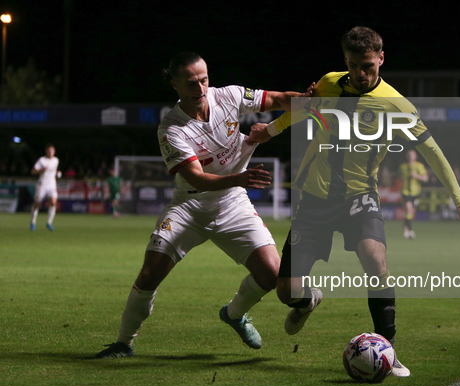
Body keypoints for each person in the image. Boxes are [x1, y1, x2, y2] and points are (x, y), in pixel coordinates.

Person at [247, 26, 460, 378]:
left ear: (381, 59)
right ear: (345, 60)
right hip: (314, 199)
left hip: (360, 196)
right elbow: (302, 110)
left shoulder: (396, 104)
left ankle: (388, 349)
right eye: (354, 65)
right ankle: (307, 300)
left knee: (376, 259)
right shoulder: (327, 83)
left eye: (368, 66)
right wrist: (269, 131)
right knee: (286, 290)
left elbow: (431, 150)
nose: (360, 73)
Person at [95, 51, 312, 358]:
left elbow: (278, 99)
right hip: (189, 207)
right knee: (149, 274)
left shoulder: (231, 96)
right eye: (191, 83)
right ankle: (123, 343)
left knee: (271, 276)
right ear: (174, 84)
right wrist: (239, 178)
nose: (199, 89)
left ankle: (234, 314)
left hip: (232, 203)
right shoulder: (171, 129)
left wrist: (304, 98)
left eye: (204, 80)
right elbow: (196, 178)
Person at [30, 144, 61, 231]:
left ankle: (49, 223)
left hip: (52, 184)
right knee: (37, 204)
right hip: (42, 184)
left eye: (52, 151)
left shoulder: (56, 160)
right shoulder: (42, 160)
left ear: (54, 152)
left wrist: (57, 173)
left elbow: (53, 171)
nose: (51, 152)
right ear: (46, 151)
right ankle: (33, 222)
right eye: (49, 151)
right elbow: (33, 171)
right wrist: (42, 170)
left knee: (54, 202)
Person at [399, 149, 428, 239]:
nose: (410, 156)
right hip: (405, 192)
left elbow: (425, 178)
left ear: (415, 156)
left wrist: (416, 176)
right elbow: (400, 177)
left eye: (412, 155)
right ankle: (410, 231)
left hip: (416, 193)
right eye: (409, 154)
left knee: (411, 213)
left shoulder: (419, 166)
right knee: (408, 209)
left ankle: (406, 228)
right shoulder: (403, 166)